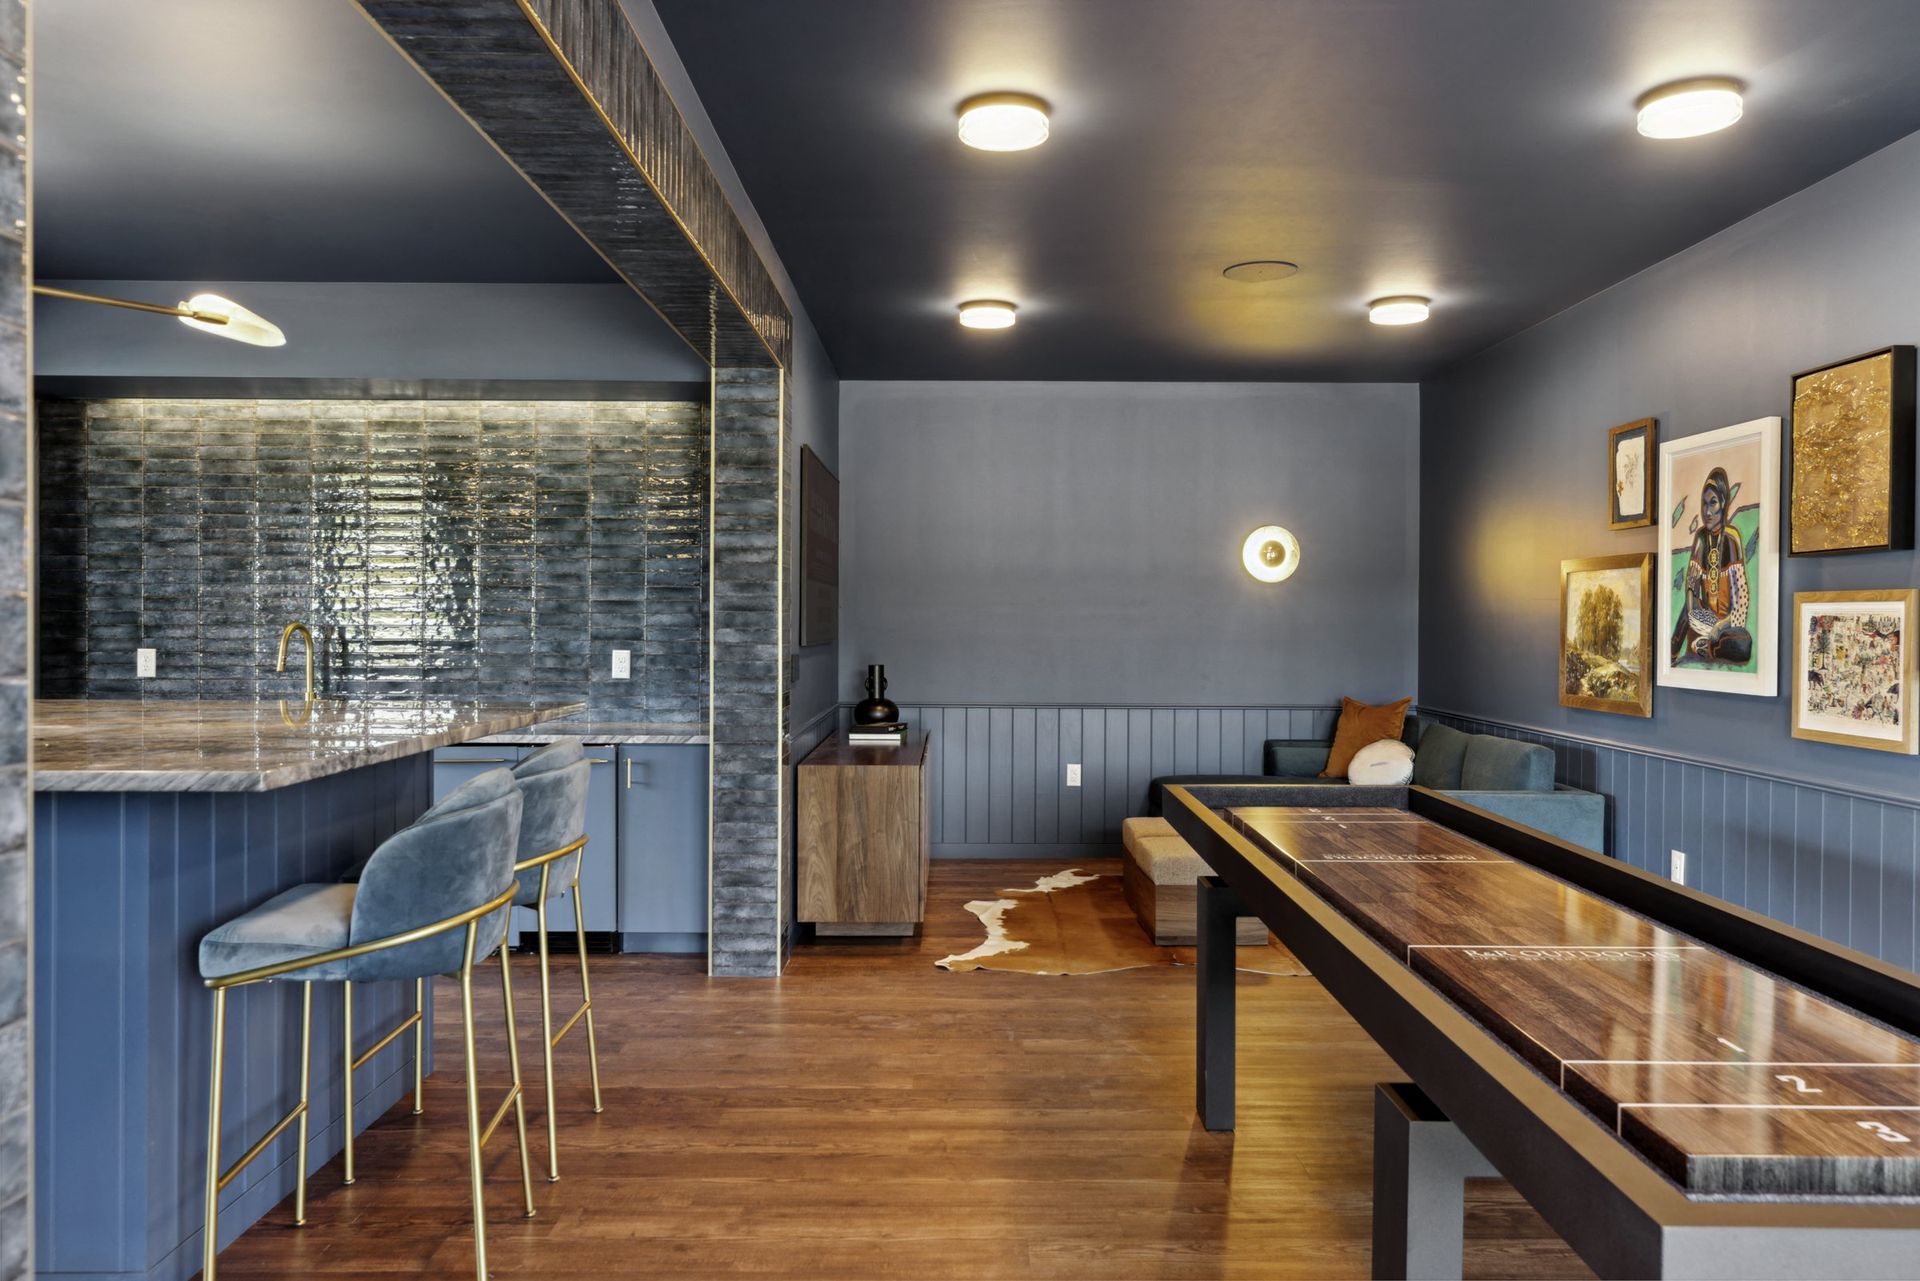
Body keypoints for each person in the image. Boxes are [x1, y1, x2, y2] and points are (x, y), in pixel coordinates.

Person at [1670, 466, 1752, 666]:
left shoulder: (1732, 538)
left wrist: (1720, 626)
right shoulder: (1701, 537)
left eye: (1713, 503)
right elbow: (1692, 584)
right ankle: (1670, 655)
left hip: (1725, 627)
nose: (1707, 511)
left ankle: (1707, 647)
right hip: (1702, 620)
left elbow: (1741, 601)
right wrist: (1693, 610)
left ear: (1723, 503)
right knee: (1686, 609)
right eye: (1704, 504)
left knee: (1744, 644)